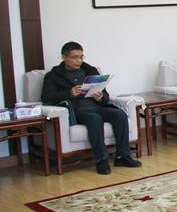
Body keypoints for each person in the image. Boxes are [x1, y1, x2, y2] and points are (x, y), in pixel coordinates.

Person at [40, 41, 142, 175]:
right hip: (78, 111)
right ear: (64, 57)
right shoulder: (54, 75)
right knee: (95, 118)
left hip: (97, 106)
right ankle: (102, 159)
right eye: (75, 57)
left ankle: (122, 156)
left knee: (119, 115)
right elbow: (46, 96)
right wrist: (69, 93)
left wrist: (101, 97)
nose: (79, 61)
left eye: (81, 57)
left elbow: (105, 95)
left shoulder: (90, 71)